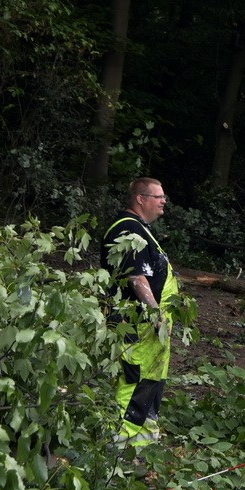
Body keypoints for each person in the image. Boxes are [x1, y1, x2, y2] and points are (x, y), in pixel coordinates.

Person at [100, 177, 179, 447]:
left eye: (164, 197)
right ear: (140, 199)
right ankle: (117, 454)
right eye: (158, 197)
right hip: (134, 325)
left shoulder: (142, 230)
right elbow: (136, 279)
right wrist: (157, 315)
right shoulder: (128, 230)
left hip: (149, 332)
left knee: (150, 384)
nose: (163, 201)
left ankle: (142, 449)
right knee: (132, 384)